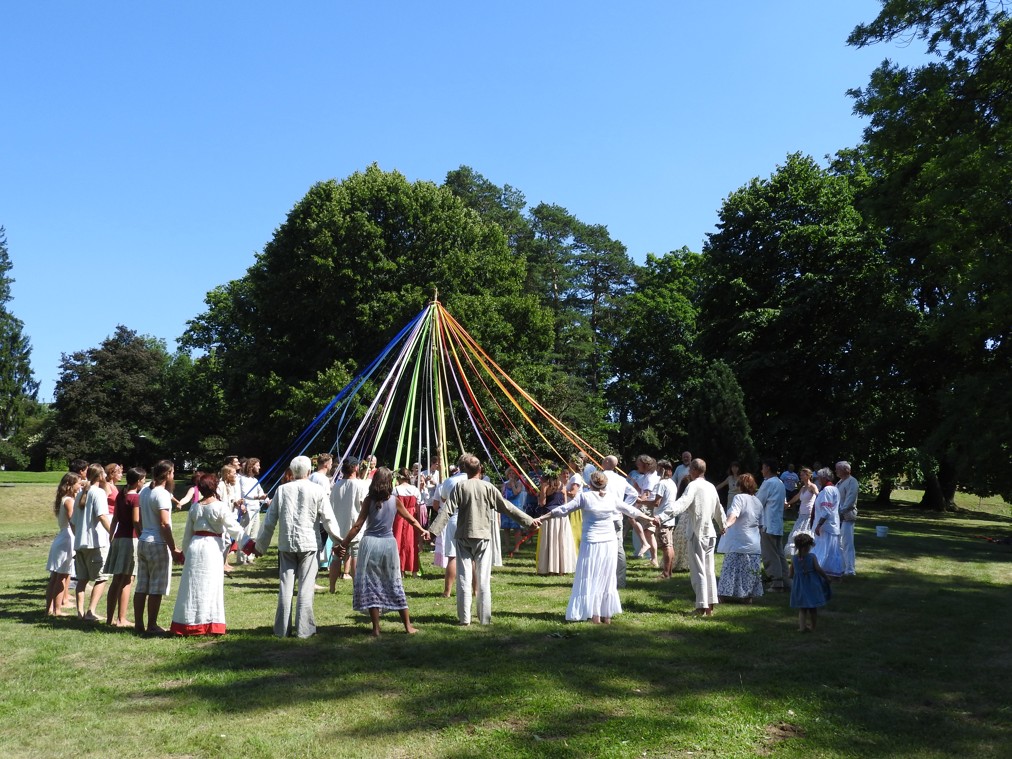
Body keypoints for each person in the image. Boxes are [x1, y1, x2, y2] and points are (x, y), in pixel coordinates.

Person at [534, 471, 656, 623]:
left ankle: (596, 615)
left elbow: (563, 510)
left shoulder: (585, 497)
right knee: (606, 576)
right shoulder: (611, 498)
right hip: (609, 542)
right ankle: (605, 615)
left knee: (591, 576)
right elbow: (631, 510)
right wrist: (649, 518)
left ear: (590, 484)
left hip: (592, 542)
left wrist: (542, 517)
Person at [428, 454, 534, 626]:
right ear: (480, 469)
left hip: (464, 535)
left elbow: (446, 511)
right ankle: (484, 618)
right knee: (483, 577)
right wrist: (529, 521)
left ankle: (465, 618)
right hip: (483, 536)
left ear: (464, 470)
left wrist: (433, 532)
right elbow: (507, 507)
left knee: (464, 577)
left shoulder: (460, 487)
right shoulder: (488, 487)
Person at [254, 455, 343, 638]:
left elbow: (269, 521)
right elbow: (328, 518)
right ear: (309, 471)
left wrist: (260, 546)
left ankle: (282, 629)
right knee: (306, 587)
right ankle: (304, 629)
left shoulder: (282, 490)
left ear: (292, 471)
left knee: (285, 587)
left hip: (287, 544)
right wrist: (340, 540)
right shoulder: (317, 490)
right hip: (309, 544)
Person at [335, 468, 430, 636]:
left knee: (371, 584)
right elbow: (410, 518)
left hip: (369, 545)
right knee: (394, 582)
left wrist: (343, 544)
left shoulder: (368, 501)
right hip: (388, 545)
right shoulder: (395, 501)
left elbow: (358, 526)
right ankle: (408, 626)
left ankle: (376, 629)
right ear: (389, 482)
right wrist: (423, 530)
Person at [170, 473, 252, 636]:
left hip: (195, 546)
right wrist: (249, 545)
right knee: (210, 586)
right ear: (214, 487)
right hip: (212, 549)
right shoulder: (220, 506)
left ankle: (188, 623)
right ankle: (208, 624)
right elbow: (234, 528)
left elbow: (188, 534)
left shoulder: (195, 507)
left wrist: (184, 553)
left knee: (192, 586)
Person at [655, 458, 726, 615]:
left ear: (694, 469)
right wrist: (723, 525)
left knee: (698, 571)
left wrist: (661, 517)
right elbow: (718, 508)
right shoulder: (711, 486)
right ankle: (710, 607)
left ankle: (701, 607)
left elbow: (681, 503)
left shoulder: (694, 485)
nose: (688, 472)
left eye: (690, 469)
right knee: (709, 570)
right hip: (710, 534)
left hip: (697, 533)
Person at [134, 460, 181, 635]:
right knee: (156, 587)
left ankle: (139, 624)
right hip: (157, 543)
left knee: (141, 586)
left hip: (144, 540)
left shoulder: (145, 489)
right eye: (173, 472)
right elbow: (164, 524)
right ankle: (152, 625)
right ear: (168, 474)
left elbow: (138, 519)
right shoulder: (161, 494)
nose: (174, 476)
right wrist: (174, 548)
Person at [104, 467, 146, 627]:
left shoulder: (121, 495)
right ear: (137, 481)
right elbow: (136, 520)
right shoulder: (135, 497)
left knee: (116, 579)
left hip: (118, 538)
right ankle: (121, 618)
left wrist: (111, 535)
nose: (144, 482)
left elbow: (114, 518)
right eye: (143, 480)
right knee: (128, 578)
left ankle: (109, 619)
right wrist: (141, 535)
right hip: (131, 539)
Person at [72, 464, 112, 621]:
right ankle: (91, 611)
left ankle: (80, 613)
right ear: (100, 476)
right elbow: (102, 516)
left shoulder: (80, 494)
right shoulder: (98, 493)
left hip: (80, 543)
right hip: (96, 543)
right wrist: (113, 534)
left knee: (82, 579)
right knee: (102, 577)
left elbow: (73, 522)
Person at [716, 473, 764, 602]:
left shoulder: (739, 498)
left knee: (730, 569)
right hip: (753, 543)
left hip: (739, 542)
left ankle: (722, 596)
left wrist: (726, 525)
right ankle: (748, 597)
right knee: (750, 571)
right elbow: (761, 525)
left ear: (740, 485)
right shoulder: (758, 501)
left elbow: (734, 514)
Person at [329, 456, 370, 589]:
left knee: (337, 557)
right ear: (355, 468)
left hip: (338, 527)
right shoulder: (360, 485)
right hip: (354, 527)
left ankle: (332, 587)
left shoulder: (336, 485)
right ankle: (356, 587)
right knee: (355, 556)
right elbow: (364, 504)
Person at [45, 473, 82, 616]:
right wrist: (79, 538)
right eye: (78, 483)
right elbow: (73, 522)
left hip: (63, 538)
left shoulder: (64, 499)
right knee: (60, 577)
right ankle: (57, 610)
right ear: (70, 485)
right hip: (67, 539)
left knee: (57, 576)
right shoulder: (69, 501)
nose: (80, 485)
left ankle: (49, 609)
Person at [431, 461, 467, 597]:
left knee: (453, 556)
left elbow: (444, 499)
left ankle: (447, 591)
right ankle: (475, 590)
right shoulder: (474, 481)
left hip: (453, 517)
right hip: (469, 519)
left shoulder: (449, 481)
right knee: (473, 557)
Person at [535, 469, 576, 575]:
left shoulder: (546, 487)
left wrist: (541, 493)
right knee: (561, 542)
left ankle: (550, 568)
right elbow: (565, 503)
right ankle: (562, 568)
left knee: (550, 542)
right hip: (562, 517)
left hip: (549, 517)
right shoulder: (562, 486)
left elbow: (542, 503)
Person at [757, 459, 789, 591]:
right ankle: (786, 582)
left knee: (770, 555)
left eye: (763, 467)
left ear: (768, 468)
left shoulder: (768, 483)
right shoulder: (780, 483)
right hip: (777, 523)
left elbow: (758, 502)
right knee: (779, 554)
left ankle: (776, 583)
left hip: (768, 524)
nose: (761, 470)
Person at [789, 533, 832, 632]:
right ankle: (813, 626)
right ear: (808, 546)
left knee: (802, 608)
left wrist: (792, 577)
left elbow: (791, 574)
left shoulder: (794, 559)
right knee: (813, 608)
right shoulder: (812, 557)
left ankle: (802, 627)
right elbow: (818, 569)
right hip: (812, 585)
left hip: (800, 586)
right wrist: (826, 577)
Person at [812, 468, 844, 578]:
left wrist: (819, 525)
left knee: (824, 550)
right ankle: (832, 572)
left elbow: (826, 510)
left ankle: (821, 571)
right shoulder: (834, 489)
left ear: (824, 478)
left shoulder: (827, 491)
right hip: (831, 525)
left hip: (826, 527)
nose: (818, 480)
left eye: (819, 477)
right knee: (832, 551)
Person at [628, 454, 660, 565]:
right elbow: (644, 490)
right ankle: (654, 559)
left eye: (639, 463)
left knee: (632, 518)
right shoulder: (649, 475)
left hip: (647, 506)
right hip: (647, 506)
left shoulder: (650, 477)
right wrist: (637, 487)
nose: (637, 465)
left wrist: (637, 505)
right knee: (649, 533)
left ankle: (645, 545)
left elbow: (646, 494)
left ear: (645, 465)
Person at [392, 468, 422, 577]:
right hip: (412, 517)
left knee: (398, 542)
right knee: (412, 543)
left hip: (399, 517)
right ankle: (413, 571)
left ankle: (401, 570)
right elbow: (419, 506)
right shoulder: (415, 490)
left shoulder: (395, 490)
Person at [785, 467, 819, 557]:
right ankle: (799, 552)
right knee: (796, 532)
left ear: (808, 476)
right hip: (801, 513)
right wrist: (788, 503)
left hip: (809, 514)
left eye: (802, 474)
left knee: (807, 533)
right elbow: (796, 497)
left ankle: (808, 552)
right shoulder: (803, 488)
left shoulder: (813, 486)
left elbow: (819, 496)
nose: (800, 476)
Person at [836, 461, 859, 576]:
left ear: (845, 470)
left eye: (838, 469)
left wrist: (841, 511)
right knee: (839, 543)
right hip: (838, 517)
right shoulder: (840, 482)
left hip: (847, 516)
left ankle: (850, 569)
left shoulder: (852, 481)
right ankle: (842, 566)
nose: (836, 471)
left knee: (847, 543)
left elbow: (850, 500)